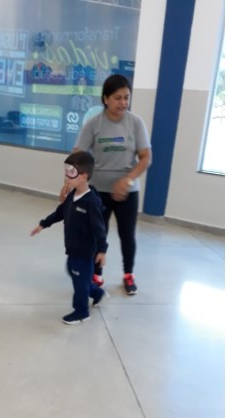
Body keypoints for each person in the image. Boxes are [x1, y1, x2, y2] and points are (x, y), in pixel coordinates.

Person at [61, 74, 152, 295]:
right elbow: (77, 155)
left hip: (127, 192)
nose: (123, 102)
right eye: (118, 97)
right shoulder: (94, 124)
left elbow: (145, 157)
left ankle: (128, 274)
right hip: (98, 191)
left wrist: (128, 180)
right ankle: (97, 274)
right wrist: (69, 181)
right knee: (97, 234)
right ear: (105, 99)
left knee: (127, 235)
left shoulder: (135, 123)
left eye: (126, 97)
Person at [31, 152, 108, 325]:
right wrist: (43, 224)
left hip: (84, 251)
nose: (67, 177)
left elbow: (99, 229)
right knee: (74, 272)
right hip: (73, 248)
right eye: (66, 172)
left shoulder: (91, 203)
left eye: (71, 173)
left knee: (80, 283)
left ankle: (81, 312)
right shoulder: (73, 195)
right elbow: (60, 212)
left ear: (84, 176)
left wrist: (102, 250)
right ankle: (97, 292)